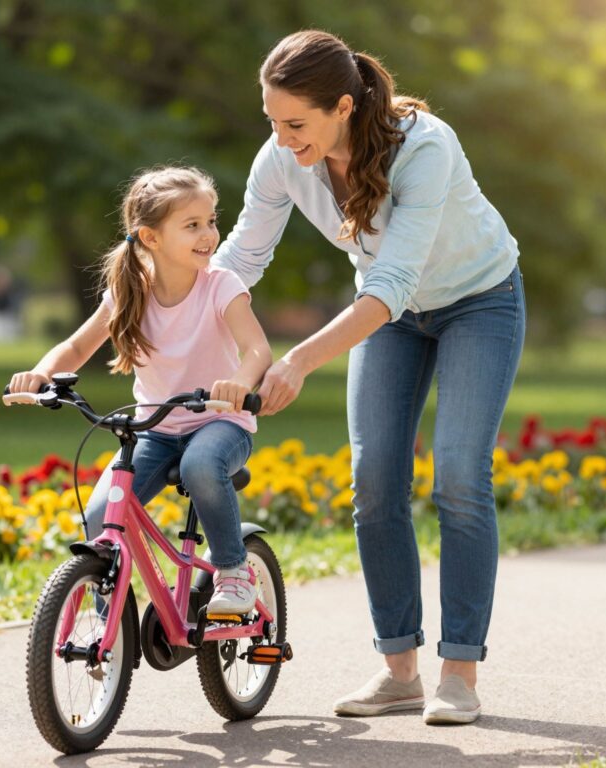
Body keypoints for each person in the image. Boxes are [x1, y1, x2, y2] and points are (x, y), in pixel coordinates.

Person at [212, 30, 525, 724]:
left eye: (296, 124)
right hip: (389, 314)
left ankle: (459, 674)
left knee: (459, 476)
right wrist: (164, 305)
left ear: (344, 107)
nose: (282, 138)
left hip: (479, 300)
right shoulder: (283, 159)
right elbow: (241, 258)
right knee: (375, 479)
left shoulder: (425, 146)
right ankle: (400, 672)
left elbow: (391, 283)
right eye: (272, 121)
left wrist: (297, 360)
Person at [8, 166, 272, 617]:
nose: (209, 234)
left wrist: (240, 382)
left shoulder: (220, 285)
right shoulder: (129, 291)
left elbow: (257, 349)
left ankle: (233, 571)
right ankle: (108, 622)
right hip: (156, 429)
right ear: (150, 237)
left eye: (211, 221)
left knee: (200, 465)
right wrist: (41, 373)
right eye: (192, 225)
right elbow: (77, 346)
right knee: (99, 514)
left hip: (220, 421)